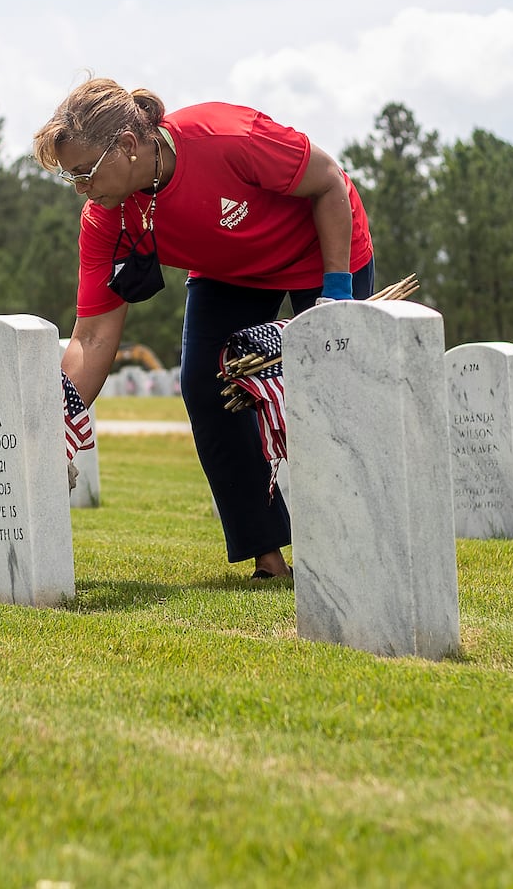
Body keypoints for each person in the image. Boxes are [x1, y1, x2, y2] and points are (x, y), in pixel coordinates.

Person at [33, 77, 375, 581]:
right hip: (228, 273)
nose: (81, 188)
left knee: (335, 393)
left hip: (320, 254)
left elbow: (327, 180)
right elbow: (91, 339)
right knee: (203, 384)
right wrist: (54, 426)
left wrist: (336, 298)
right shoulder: (105, 218)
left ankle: (356, 548)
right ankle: (267, 558)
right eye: (70, 177)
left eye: (85, 172)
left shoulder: (226, 137)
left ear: (127, 146)